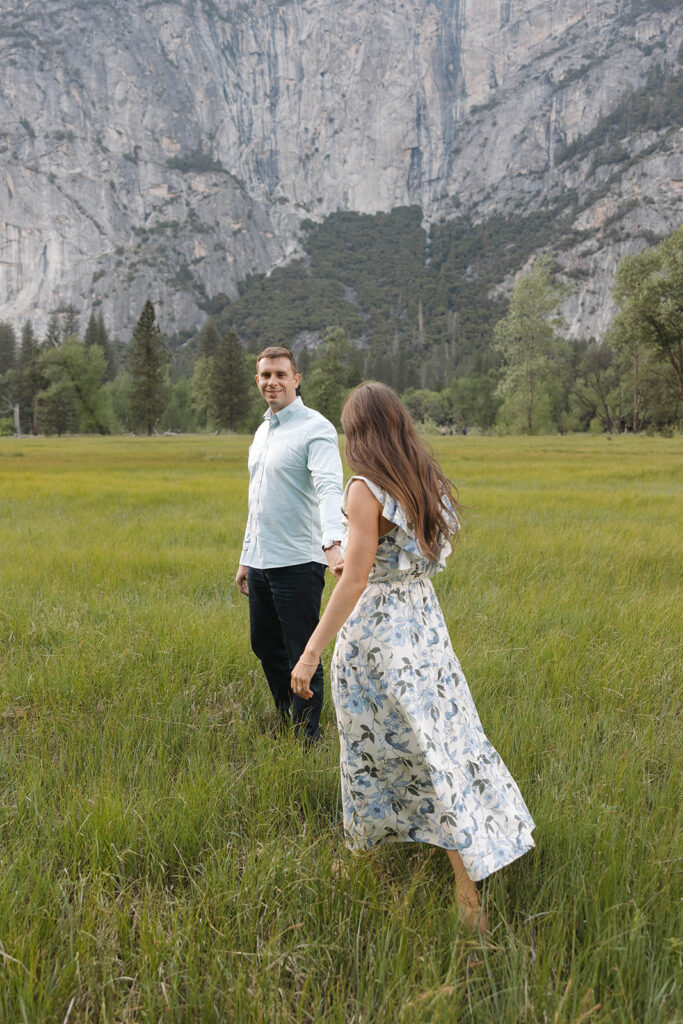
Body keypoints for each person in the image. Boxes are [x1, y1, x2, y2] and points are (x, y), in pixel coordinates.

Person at [290, 382, 535, 929]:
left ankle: (435, 880)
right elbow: (410, 556)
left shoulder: (363, 489)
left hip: (375, 637)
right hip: (423, 629)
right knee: (440, 742)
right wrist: (372, 569)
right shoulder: (425, 478)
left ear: (356, 433)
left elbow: (353, 582)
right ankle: (432, 874)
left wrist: (309, 654)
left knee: (370, 749)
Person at [235, 346, 344, 742]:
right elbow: (257, 499)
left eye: (281, 374)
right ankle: (287, 719)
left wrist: (333, 540)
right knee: (264, 645)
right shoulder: (264, 430)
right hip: (262, 560)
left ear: (296, 380)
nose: (272, 382)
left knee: (303, 652)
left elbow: (330, 487)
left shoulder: (315, 428)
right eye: (265, 375)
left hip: (298, 561)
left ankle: (306, 739)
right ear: (257, 380)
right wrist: (246, 557)